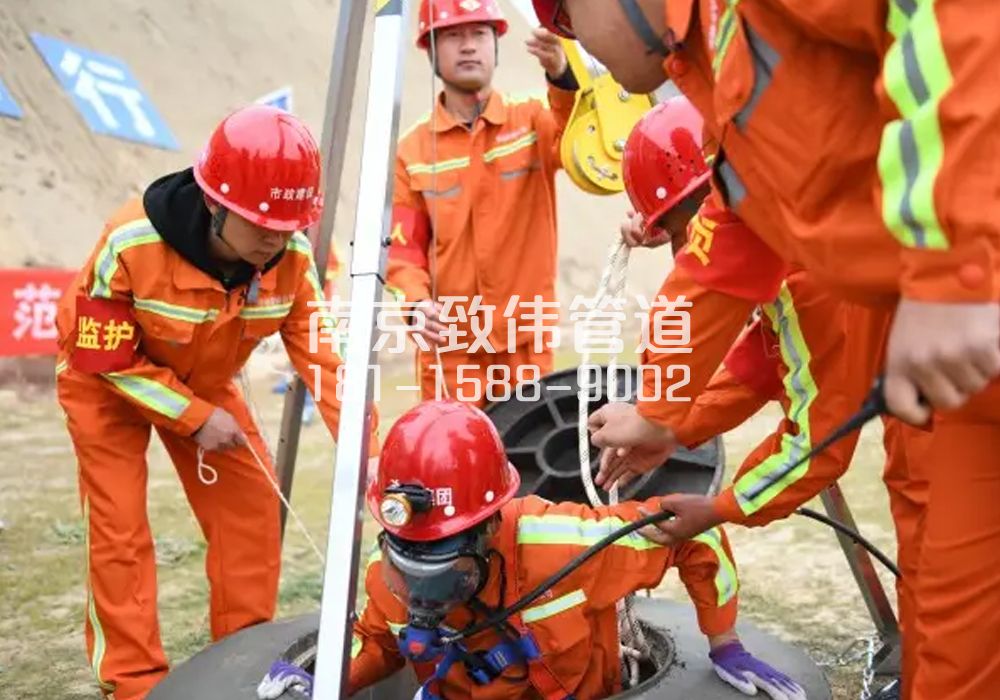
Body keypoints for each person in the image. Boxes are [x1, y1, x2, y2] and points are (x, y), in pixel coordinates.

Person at [532, 3, 1000, 698]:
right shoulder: (719, 82)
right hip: (950, 395)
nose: (580, 50)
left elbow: (951, 15)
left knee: (962, 630)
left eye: (570, 25)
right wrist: (666, 417)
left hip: (966, 338)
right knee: (943, 610)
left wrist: (951, 268)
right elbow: (737, 274)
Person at [54, 105, 378, 700]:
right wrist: (195, 417)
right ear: (213, 202)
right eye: (260, 224)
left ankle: (242, 656)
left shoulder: (292, 260)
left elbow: (328, 363)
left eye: (288, 225)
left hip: (205, 382)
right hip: (106, 385)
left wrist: (370, 453)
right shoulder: (130, 241)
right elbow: (102, 357)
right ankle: (133, 682)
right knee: (120, 529)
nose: (274, 240)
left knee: (251, 511)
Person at [346, 399, 806, 700]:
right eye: (407, 561)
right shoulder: (386, 579)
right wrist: (325, 681)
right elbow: (379, 644)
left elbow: (695, 534)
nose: (424, 593)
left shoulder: (567, 547)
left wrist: (725, 643)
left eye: (447, 572)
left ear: (487, 530)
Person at [386, 0, 578, 408]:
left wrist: (562, 76)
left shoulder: (532, 122)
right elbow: (402, 252)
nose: (468, 46)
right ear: (429, 49)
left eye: (478, 34)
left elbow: (578, 142)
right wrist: (417, 304)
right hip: (451, 348)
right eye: (454, 36)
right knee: (453, 462)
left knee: (526, 460)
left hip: (524, 342)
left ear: (496, 43)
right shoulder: (413, 151)